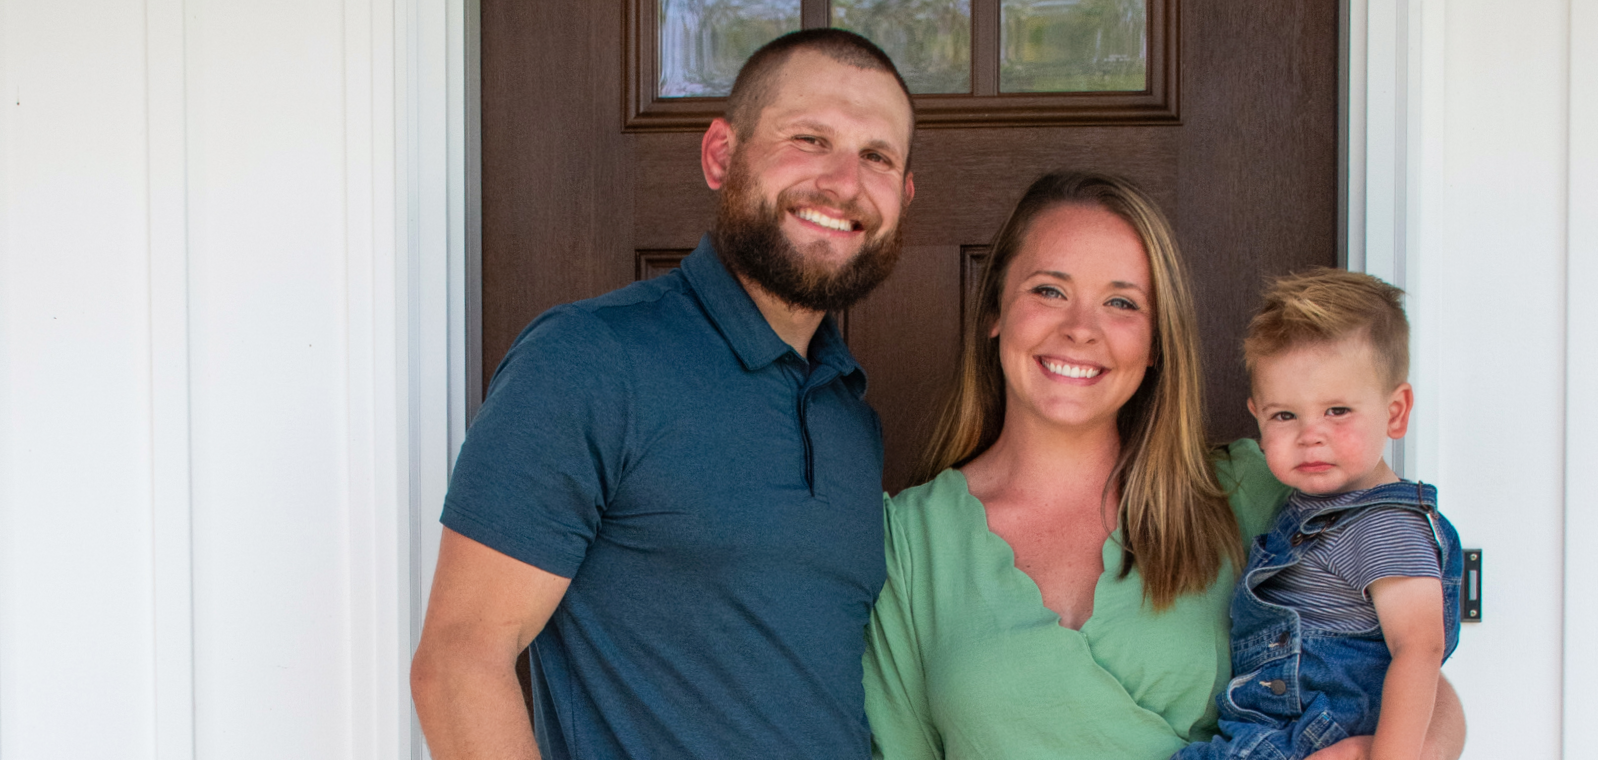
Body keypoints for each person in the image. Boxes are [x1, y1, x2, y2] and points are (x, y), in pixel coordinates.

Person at [410, 29, 915, 760]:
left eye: (877, 156)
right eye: (809, 139)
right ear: (721, 156)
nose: (843, 182)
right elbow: (458, 659)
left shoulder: (849, 415)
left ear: (902, 195)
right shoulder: (588, 360)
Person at [861, 172, 1464, 760]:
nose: (1080, 330)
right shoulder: (910, 544)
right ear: (995, 310)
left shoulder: (1254, 492)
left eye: (1121, 302)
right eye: (1049, 291)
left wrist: (1407, 751)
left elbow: (1409, 667)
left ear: (1155, 344)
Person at [1176, 269, 1462, 760]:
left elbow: (1420, 650)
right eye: (1284, 415)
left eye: (1337, 411)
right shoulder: (1310, 508)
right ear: (1257, 416)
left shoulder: (1385, 525)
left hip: (1312, 740)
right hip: (1265, 734)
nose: (1311, 435)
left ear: (1395, 412)